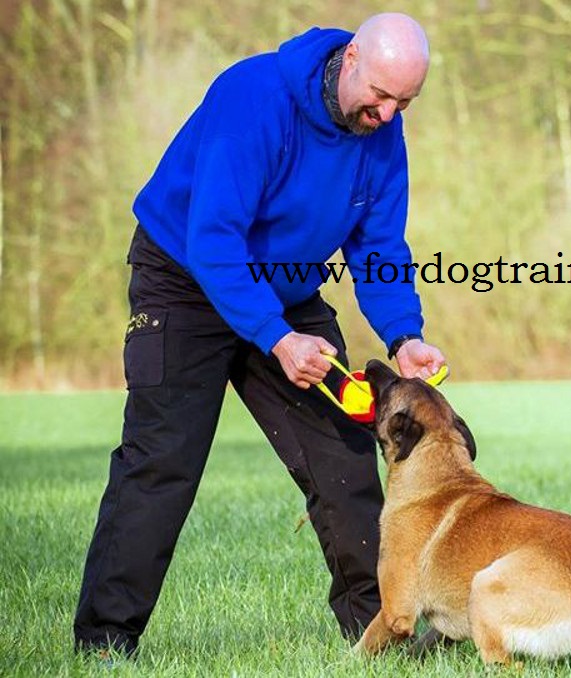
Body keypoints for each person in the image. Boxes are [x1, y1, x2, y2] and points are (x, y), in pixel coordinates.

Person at [74, 12, 446, 656]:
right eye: (381, 95)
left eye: (404, 102)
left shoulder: (384, 136)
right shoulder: (253, 99)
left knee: (345, 457)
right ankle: (105, 642)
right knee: (162, 463)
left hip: (287, 292)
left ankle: (380, 633)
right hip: (185, 279)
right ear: (351, 58)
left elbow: (379, 244)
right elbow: (213, 238)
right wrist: (275, 339)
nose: (387, 114)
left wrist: (402, 336)